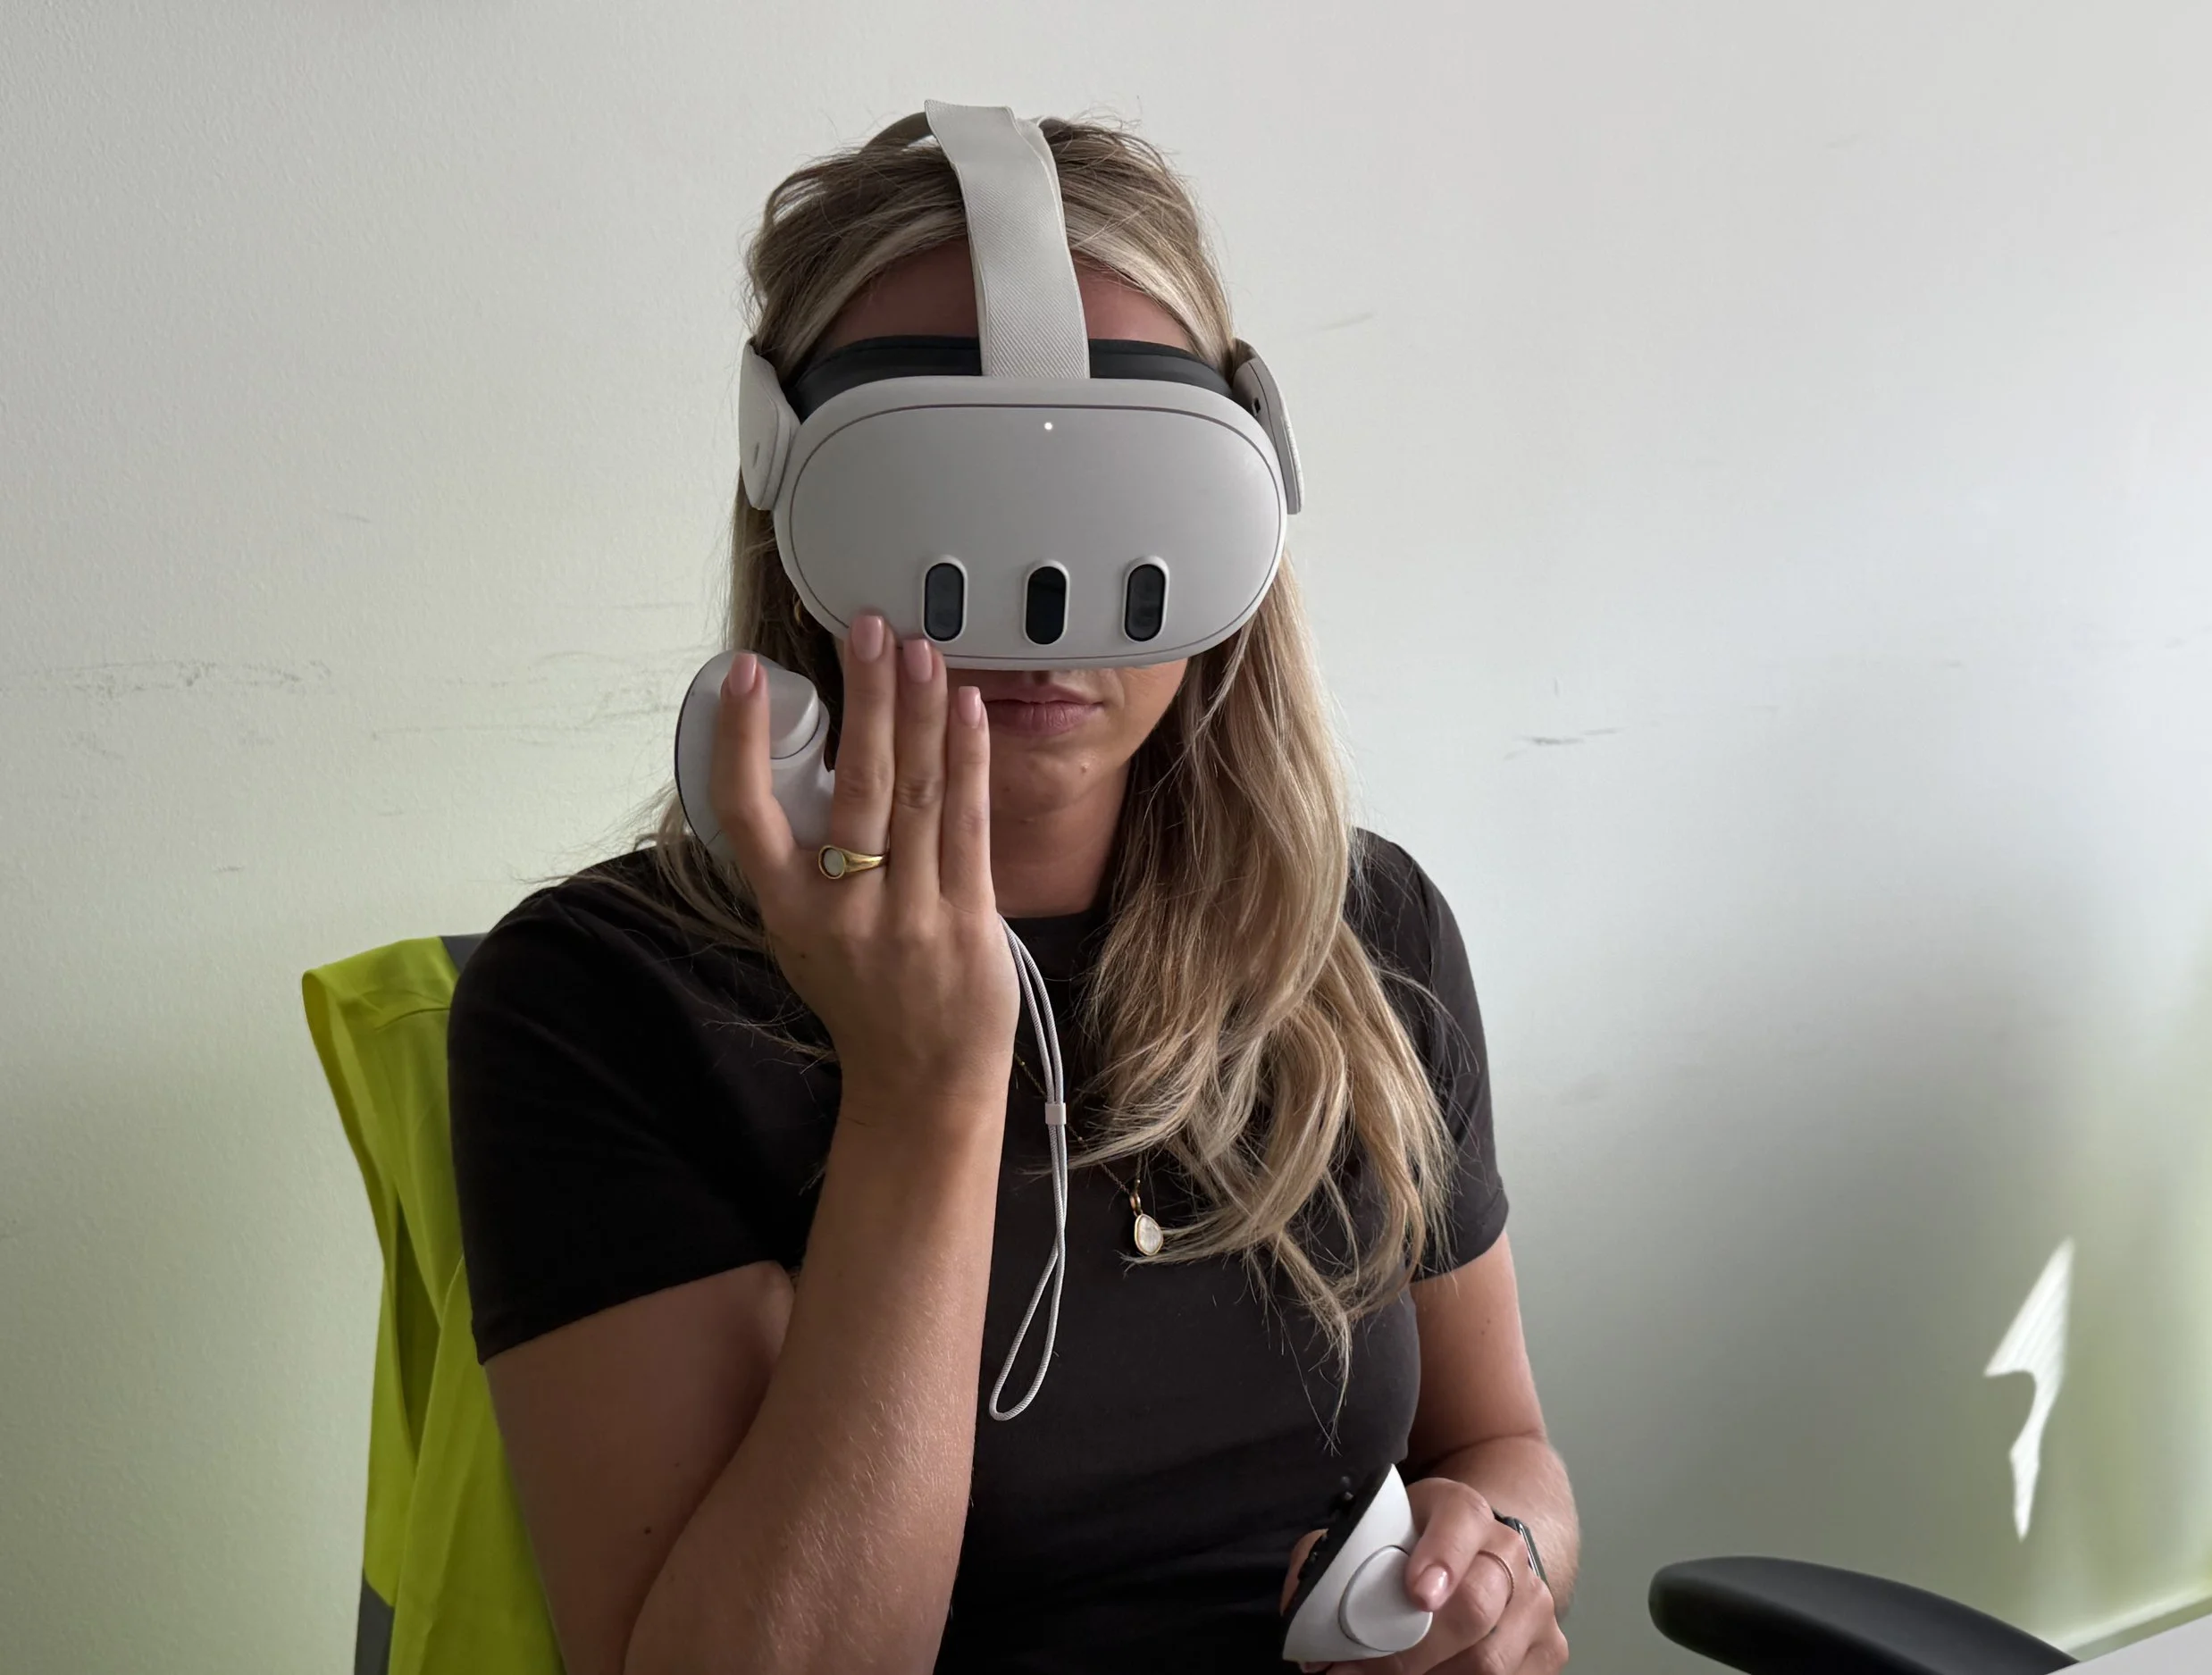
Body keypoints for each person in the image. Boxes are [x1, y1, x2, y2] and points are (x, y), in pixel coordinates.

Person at [447, 108, 1578, 1675]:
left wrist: (1495, 1559)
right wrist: (925, 1089)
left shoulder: (1356, 931)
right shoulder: (601, 1005)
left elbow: (1504, 1449)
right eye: (940, 495)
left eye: (1126, 495)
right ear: (793, 500)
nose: (1045, 605)